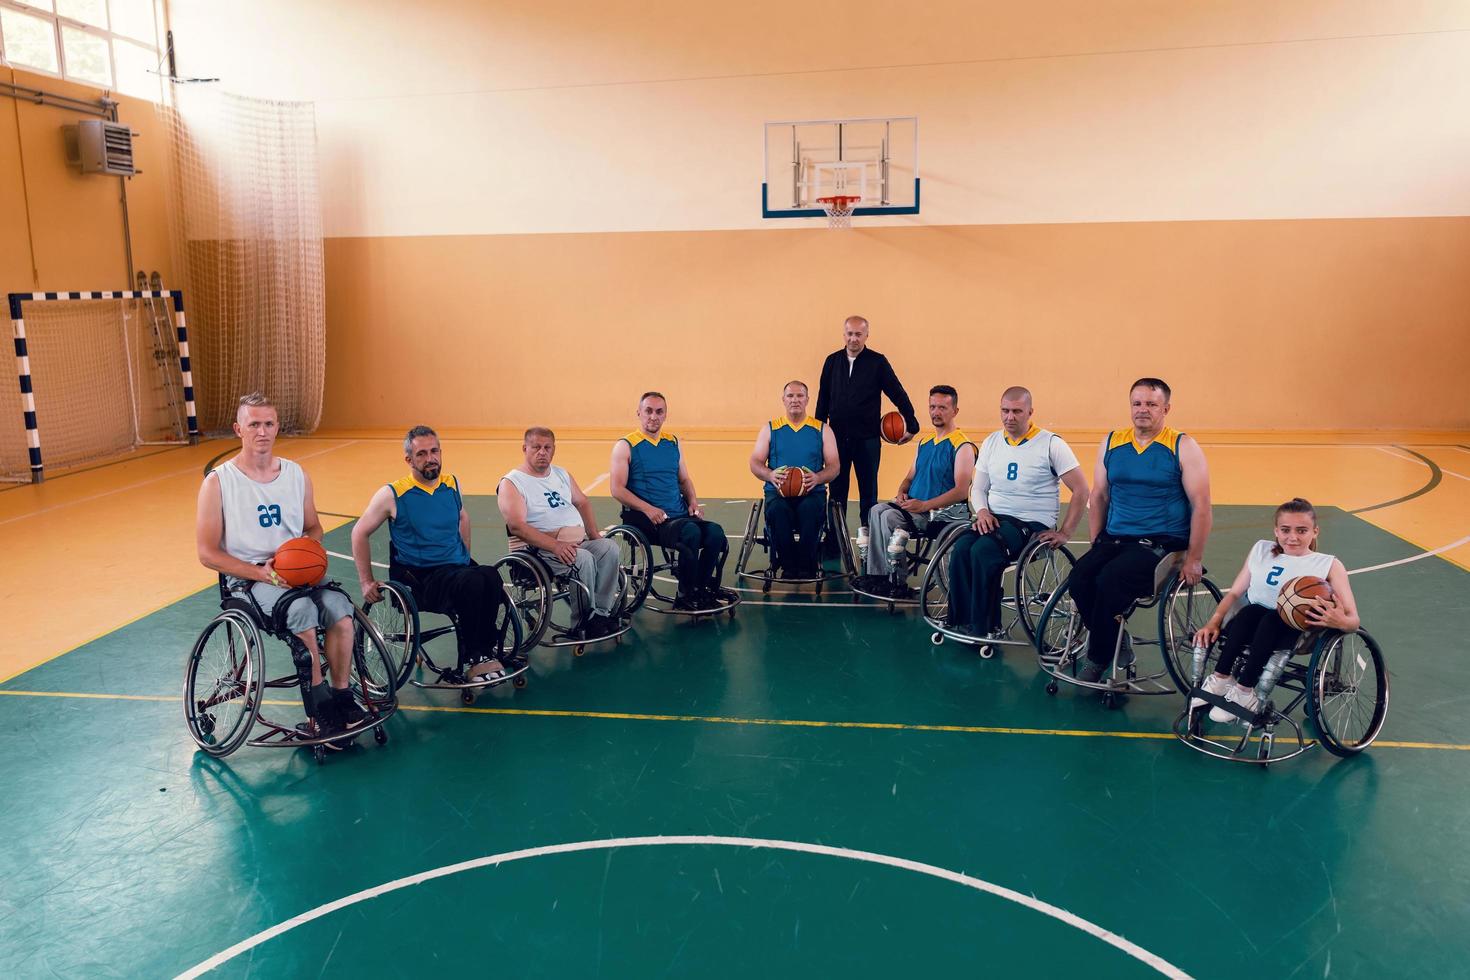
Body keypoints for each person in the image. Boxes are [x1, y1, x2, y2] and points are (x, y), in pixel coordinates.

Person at [196, 392, 362, 734]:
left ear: (277, 427)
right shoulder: (218, 482)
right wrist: (260, 572)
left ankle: (343, 695)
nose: (262, 431)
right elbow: (207, 553)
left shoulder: (296, 474)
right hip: (248, 581)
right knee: (302, 611)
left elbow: (313, 526)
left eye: (268, 423)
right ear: (238, 429)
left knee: (340, 609)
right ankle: (322, 708)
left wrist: (304, 551)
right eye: (254, 424)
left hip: (296, 574)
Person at [1068, 378, 1212, 682]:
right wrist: (1096, 542)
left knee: (1110, 580)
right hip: (1116, 536)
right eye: (1137, 403)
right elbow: (1100, 495)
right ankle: (1115, 636)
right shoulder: (1112, 442)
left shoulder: (1182, 446)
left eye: (1151, 404)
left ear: (1166, 408)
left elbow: (1201, 505)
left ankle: (1098, 656)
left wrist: (1194, 558)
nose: (1142, 410)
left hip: (1160, 542)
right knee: (1080, 577)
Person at [351, 425, 512, 682]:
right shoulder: (393, 494)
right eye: (422, 454)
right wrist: (366, 581)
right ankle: (476, 656)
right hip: (421, 578)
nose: (430, 459)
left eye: (434, 451)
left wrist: (464, 556)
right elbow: (359, 533)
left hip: (454, 569)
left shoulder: (451, 484)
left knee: (491, 576)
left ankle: (486, 649)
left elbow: (462, 517)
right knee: (471, 583)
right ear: (409, 460)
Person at [1191, 498, 1360, 722]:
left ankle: (1245, 692)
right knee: (1250, 612)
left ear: (1315, 531)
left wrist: (1338, 621)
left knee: (1271, 618)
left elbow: (1353, 621)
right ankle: (1221, 679)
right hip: (1252, 623)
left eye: (1302, 530)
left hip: (1297, 631)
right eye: (1285, 530)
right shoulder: (1261, 550)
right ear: (1276, 531)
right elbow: (1234, 593)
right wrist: (1214, 621)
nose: (1293, 537)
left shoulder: (1328, 564)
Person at [946, 386, 1089, 637]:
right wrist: (981, 512)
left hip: (1031, 523)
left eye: (1017, 411)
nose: (1009, 417)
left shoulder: (1051, 444)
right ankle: (960, 619)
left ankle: (985, 626)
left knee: (983, 551)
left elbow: (1081, 490)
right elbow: (978, 488)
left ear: (1030, 412)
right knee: (960, 549)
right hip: (994, 519)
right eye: (1005, 411)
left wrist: (1065, 532)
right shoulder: (991, 442)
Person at [610, 392, 736, 611]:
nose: (653, 416)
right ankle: (686, 594)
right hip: (648, 520)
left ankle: (701, 587)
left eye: (659, 412)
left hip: (679, 516)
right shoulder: (626, 445)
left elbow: (684, 479)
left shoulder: (672, 442)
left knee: (715, 532)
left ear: (665, 415)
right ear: (638, 413)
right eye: (648, 411)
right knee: (691, 533)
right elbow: (616, 489)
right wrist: (647, 508)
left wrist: (693, 502)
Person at [498, 427, 622, 637]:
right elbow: (517, 526)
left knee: (608, 548)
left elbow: (582, 502)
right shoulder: (512, 482)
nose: (542, 452)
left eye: (547, 447)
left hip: (574, 541)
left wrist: (594, 534)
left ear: (554, 449)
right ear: (524, 448)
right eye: (536, 447)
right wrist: (555, 545)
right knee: (582, 559)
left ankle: (600, 613)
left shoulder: (561, 474)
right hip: (539, 550)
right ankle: (582, 621)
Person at [854, 385, 976, 598]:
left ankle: (895, 581)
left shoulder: (962, 445)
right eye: (932, 407)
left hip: (940, 515)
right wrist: (902, 491)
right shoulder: (924, 443)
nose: (936, 412)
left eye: (942, 408)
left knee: (889, 516)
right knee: (876, 510)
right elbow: (909, 478)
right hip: (914, 508)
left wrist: (924, 505)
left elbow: (961, 491)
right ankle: (879, 576)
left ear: (955, 411)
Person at [814, 315, 920, 540]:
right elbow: (822, 399)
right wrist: (818, 435)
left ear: (866, 336)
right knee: (836, 493)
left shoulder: (877, 362)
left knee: (868, 492)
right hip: (837, 439)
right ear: (844, 335)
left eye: (858, 334)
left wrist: (912, 424)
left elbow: (897, 392)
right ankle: (834, 539)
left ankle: (869, 540)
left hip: (867, 440)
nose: (853, 338)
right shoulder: (832, 361)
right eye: (850, 334)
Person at [747, 380, 841, 579]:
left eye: (800, 396)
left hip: (812, 492)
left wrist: (818, 477)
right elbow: (755, 462)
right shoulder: (770, 428)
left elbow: (834, 466)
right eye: (790, 396)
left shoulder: (822, 429)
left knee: (809, 510)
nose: (795, 400)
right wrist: (769, 475)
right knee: (778, 511)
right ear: (783, 400)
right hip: (777, 492)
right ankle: (789, 566)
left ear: (807, 399)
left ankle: (807, 565)